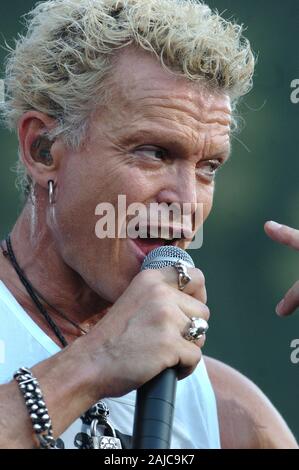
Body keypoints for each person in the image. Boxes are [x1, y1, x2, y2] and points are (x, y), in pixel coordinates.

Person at [0, 0, 297, 449]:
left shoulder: (228, 412)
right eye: (155, 152)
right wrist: (94, 363)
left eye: (209, 166)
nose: (187, 201)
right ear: (43, 148)